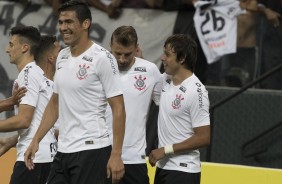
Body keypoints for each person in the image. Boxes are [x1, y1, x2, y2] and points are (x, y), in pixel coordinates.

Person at [24, 1, 126, 184]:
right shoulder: (62, 56)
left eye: (69, 22)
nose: (63, 27)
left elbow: (118, 108)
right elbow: (55, 103)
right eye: (61, 22)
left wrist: (117, 154)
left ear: (85, 24)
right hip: (63, 151)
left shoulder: (102, 58)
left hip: (92, 150)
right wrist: (35, 140)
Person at [149, 34, 210, 184]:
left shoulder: (197, 91)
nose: (162, 58)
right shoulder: (164, 80)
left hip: (183, 171)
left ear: (182, 59)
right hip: (163, 168)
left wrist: (165, 150)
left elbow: (203, 137)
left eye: (167, 54)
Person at [0, 27, 59, 184]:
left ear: (25, 47)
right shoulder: (39, 75)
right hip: (46, 155)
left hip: (32, 157)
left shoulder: (28, 74)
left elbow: (24, 120)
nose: (7, 49)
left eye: (11, 44)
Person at [106, 25, 161, 184]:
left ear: (136, 48)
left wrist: (166, 146)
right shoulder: (97, 68)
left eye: (127, 54)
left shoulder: (150, 70)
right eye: (118, 53)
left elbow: (167, 106)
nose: (122, 59)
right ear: (111, 45)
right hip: (101, 156)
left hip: (134, 159)